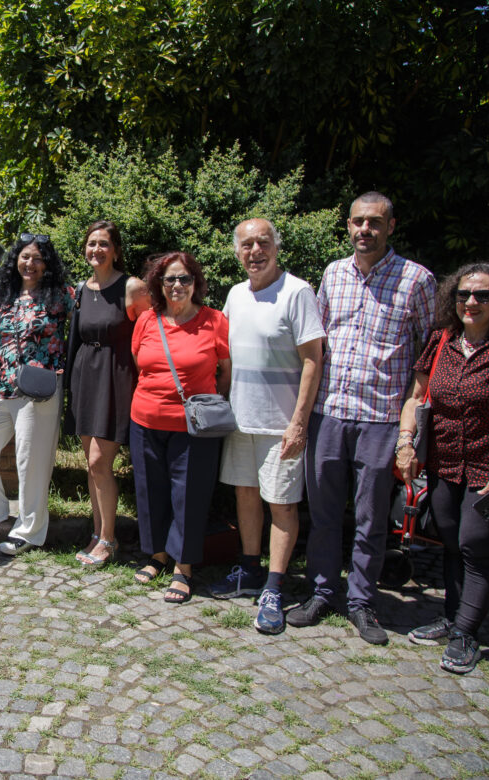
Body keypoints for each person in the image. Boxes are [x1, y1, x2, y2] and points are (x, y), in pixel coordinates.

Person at [290, 192, 436, 645]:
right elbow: (318, 342)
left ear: (390, 226)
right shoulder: (333, 273)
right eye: (357, 222)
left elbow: (427, 357)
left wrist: (410, 429)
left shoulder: (417, 281)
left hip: (381, 417)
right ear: (348, 226)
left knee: (372, 518)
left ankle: (362, 602)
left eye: (374, 222)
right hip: (329, 412)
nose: (364, 230)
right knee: (325, 512)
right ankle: (321, 592)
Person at [397, 262, 489, 674]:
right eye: (463, 295)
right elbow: (417, 395)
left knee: (480, 544)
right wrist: (406, 442)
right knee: (452, 541)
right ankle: (453, 617)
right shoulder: (442, 340)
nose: (471, 302)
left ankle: (466, 633)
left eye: (482, 295)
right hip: (445, 461)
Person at [207, 219, 324, 635]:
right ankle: (249, 570)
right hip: (240, 418)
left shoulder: (298, 291)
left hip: (281, 425)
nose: (255, 251)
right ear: (237, 253)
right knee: (246, 495)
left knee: (283, 504)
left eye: (263, 243)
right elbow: (225, 357)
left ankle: (274, 588)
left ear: (276, 247)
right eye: (247, 245)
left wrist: (299, 423)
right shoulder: (236, 295)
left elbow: (313, 359)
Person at [0, 233, 74, 555]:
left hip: (40, 391)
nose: (30, 263)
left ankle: (29, 531)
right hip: (2, 387)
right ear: (15, 260)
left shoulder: (62, 296)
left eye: (37, 258)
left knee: (30, 462)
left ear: (46, 264)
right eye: (25, 257)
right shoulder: (4, 296)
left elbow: (85, 326)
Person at [130, 252, 231, 603]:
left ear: (196, 283)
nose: (177, 286)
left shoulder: (214, 321)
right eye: (170, 279)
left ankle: (183, 567)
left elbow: (226, 371)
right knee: (149, 489)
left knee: (188, 495)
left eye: (184, 279)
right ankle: (157, 555)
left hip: (194, 427)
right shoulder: (146, 320)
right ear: (159, 283)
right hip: (144, 419)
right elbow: (139, 365)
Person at [66, 220, 148, 566]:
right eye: (91, 243)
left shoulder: (132, 288)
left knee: (101, 461)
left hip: (117, 379)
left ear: (116, 250)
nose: (96, 249)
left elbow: (149, 336)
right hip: (86, 374)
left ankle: (109, 539)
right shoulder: (82, 289)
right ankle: (98, 533)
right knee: (91, 464)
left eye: (103, 244)